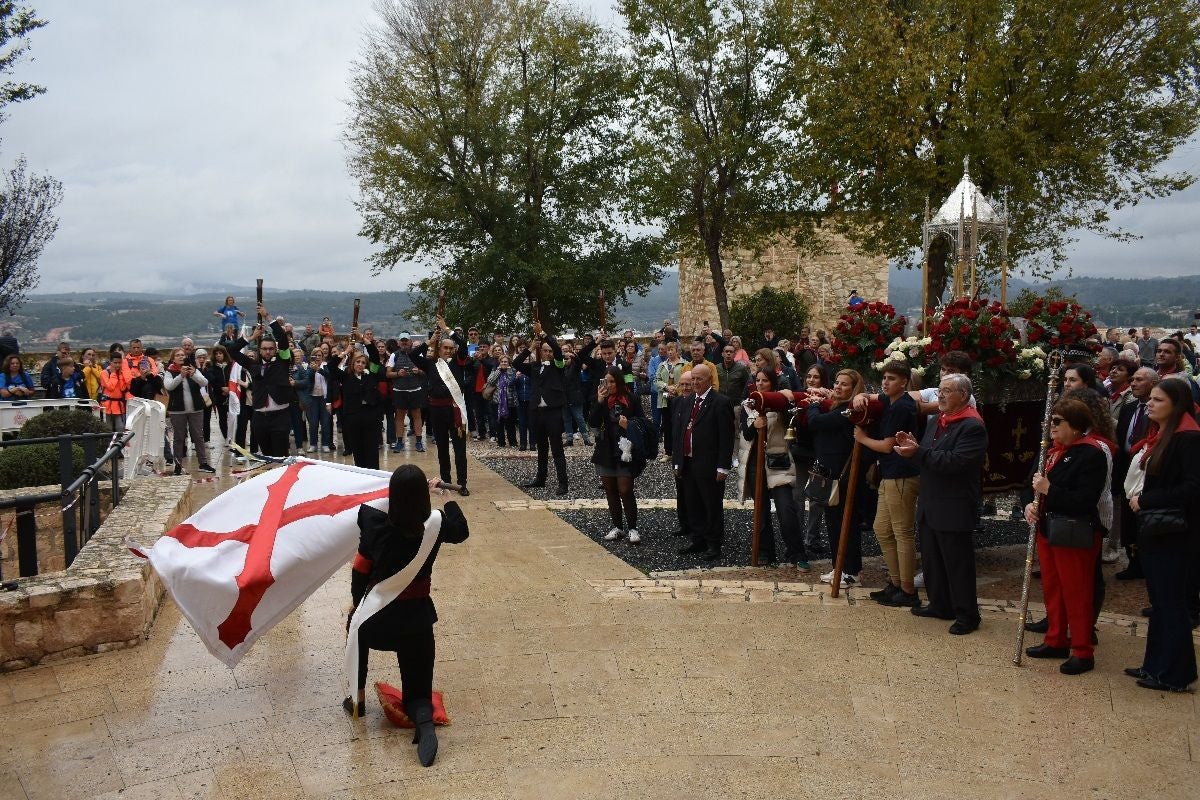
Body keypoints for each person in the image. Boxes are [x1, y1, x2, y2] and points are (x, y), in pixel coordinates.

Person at [346, 465, 469, 765]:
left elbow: (359, 573)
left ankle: (357, 698)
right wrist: (444, 496)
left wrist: (357, 605)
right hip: (416, 623)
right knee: (418, 695)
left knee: (355, 623)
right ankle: (424, 721)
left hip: (378, 623)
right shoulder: (436, 527)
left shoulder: (374, 527)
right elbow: (461, 529)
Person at [1021, 399, 1110, 674]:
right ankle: (1055, 639)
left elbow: (1085, 499)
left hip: (1074, 531)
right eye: (1050, 420)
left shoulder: (1091, 453)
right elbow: (1030, 483)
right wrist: (1028, 505)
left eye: (1057, 421)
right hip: (1049, 529)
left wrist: (1049, 490)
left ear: (1076, 425)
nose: (1051, 426)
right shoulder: (1050, 452)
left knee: (1077, 591)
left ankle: (1082, 650)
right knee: (1054, 588)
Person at [895, 373, 988, 635]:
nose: (941, 396)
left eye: (948, 391)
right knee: (933, 559)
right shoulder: (941, 420)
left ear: (964, 396)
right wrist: (911, 449)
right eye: (940, 391)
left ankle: (967, 614)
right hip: (931, 500)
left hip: (954, 504)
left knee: (957, 564)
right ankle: (940, 604)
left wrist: (919, 452)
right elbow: (928, 456)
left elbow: (955, 462)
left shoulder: (972, 426)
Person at [1125, 378, 1200, 692]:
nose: (1150, 404)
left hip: (1175, 533)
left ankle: (1175, 673)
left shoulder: (1188, 438)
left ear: (1176, 404)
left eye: (1157, 400)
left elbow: (1193, 488)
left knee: (1171, 602)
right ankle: (1155, 664)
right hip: (1157, 531)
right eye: (1150, 399)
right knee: (1160, 600)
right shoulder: (1160, 436)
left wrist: (1146, 500)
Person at [855, 362, 922, 607]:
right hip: (890, 474)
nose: (885, 382)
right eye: (883, 377)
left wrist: (862, 439)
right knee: (882, 528)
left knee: (902, 532)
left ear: (904, 382)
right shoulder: (890, 401)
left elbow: (886, 445)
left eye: (891, 378)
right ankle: (895, 583)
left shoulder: (902, 407)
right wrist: (862, 395)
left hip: (902, 474)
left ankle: (907, 590)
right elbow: (874, 395)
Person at [807, 368, 868, 587]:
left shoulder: (847, 411)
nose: (838, 387)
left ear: (854, 389)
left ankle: (850, 570)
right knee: (833, 522)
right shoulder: (836, 406)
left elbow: (815, 422)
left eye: (844, 384)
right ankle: (839, 567)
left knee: (845, 523)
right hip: (830, 472)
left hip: (842, 475)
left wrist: (813, 404)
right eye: (837, 383)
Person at [740, 369, 806, 570]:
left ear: (772, 383)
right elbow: (746, 433)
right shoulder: (747, 405)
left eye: (765, 380)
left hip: (778, 461)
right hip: (755, 462)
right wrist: (756, 426)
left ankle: (796, 552)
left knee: (786, 508)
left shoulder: (780, 404)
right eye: (757, 380)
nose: (760, 384)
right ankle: (765, 551)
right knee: (760, 512)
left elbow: (794, 422)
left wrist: (787, 399)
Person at [673, 364, 734, 561]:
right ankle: (697, 538)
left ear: (709, 379)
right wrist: (678, 461)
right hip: (689, 462)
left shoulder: (720, 402)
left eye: (700, 379)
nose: (695, 383)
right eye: (694, 379)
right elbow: (680, 431)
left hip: (709, 463)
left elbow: (726, 437)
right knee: (693, 503)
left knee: (711, 504)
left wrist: (723, 465)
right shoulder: (688, 400)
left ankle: (714, 543)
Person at [410, 316, 471, 495]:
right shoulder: (431, 363)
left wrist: (447, 329)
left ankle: (462, 484)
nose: (448, 351)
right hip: (436, 411)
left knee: (460, 450)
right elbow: (413, 355)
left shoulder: (460, 363)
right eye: (445, 347)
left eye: (451, 348)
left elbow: (464, 345)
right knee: (442, 448)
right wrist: (429, 341)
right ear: (440, 348)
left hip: (455, 410)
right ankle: (446, 482)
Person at [229, 304, 294, 458]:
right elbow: (232, 350)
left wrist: (268, 317)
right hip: (260, 417)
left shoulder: (283, 360)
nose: (267, 351)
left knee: (280, 457)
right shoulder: (252, 364)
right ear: (259, 350)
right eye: (264, 349)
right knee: (267, 457)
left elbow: (283, 339)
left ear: (275, 350)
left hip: (280, 416)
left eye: (271, 348)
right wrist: (250, 337)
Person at [513, 322, 570, 495]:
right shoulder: (534, 367)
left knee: (557, 448)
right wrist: (530, 348)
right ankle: (540, 478)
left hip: (553, 412)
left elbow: (558, 350)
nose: (548, 353)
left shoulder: (558, 365)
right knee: (542, 448)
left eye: (549, 351)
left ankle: (563, 482)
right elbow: (516, 363)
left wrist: (543, 333)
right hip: (536, 412)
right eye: (545, 350)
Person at [1114, 367, 1160, 579]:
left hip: (1147, 470)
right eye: (1132, 380)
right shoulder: (1129, 408)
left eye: (1139, 380)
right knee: (1128, 519)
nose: (1133, 383)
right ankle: (1133, 561)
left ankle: (1147, 562)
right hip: (1126, 467)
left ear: (1152, 383)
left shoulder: (1158, 411)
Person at [591, 366, 645, 544]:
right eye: (606, 381)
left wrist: (628, 425)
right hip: (606, 447)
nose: (609, 385)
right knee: (610, 490)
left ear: (619, 381)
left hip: (625, 448)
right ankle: (617, 527)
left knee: (625, 489)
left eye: (613, 381)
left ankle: (633, 528)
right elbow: (592, 422)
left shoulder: (631, 398)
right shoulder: (602, 398)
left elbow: (642, 422)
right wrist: (599, 401)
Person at [327, 333, 390, 469]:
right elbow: (331, 367)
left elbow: (374, 355)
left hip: (371, 418)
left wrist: (363, 338)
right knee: (358, 451)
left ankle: (374, 478)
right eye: (357, 362)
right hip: (353, 418)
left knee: (372, 451)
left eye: (363, 362)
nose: (360, 364)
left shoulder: (371, 374)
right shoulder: (346, 377)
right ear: (353, 363)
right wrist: (346, 352)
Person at [162, 346, 216, 475]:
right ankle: (178, 465)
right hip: (177, 410)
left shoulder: (193, 368)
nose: (181, 357)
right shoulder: (169, 371)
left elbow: (204, 382)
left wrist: (193, 375)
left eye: (182, 355)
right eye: (178, 355)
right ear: (173, 359)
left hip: (196, 409)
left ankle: (203, 463)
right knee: (179, 438)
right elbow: (169, 386)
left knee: (198, 436)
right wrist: (181, 376)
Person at [387, 335, 427, 453]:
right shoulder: (394, 355)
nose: (404, 343)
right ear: (399, 343)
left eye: (406, 341)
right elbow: (388, 374)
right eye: (402, 341)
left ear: (410, 342)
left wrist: (419, 371)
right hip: (400, 390)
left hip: (415, 389)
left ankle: (419, 442)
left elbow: (427, 371)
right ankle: (399, 442)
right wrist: (398, 374)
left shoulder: (418, 354)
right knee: (399, 417)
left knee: (417, 416)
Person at [485, 355, 519, 448]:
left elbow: (511, 382)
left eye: (506, 362)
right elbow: (490, 381)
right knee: (499, 423)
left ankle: (513, 442)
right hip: (497, 401)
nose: (504, 363)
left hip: (510, 401)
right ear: (499, 363)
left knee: (510, 424)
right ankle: (501, 442)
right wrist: (498, 371)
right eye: (502, 362)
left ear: (509, 363)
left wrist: (508, 370)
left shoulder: (512, 371)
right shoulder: (495, 371)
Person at [204, 346, 232, 445]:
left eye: (220, 353)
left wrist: (229, 388)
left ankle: (235, 435)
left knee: (235, 417)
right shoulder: (211, 368)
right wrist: (221, 388)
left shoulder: (230, 365)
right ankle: (226, 437)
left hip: (232, 394)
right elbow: (212, 380)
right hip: (219, 396)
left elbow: (234, 378)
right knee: (223, 417)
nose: (218, 355)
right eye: (216, 354)